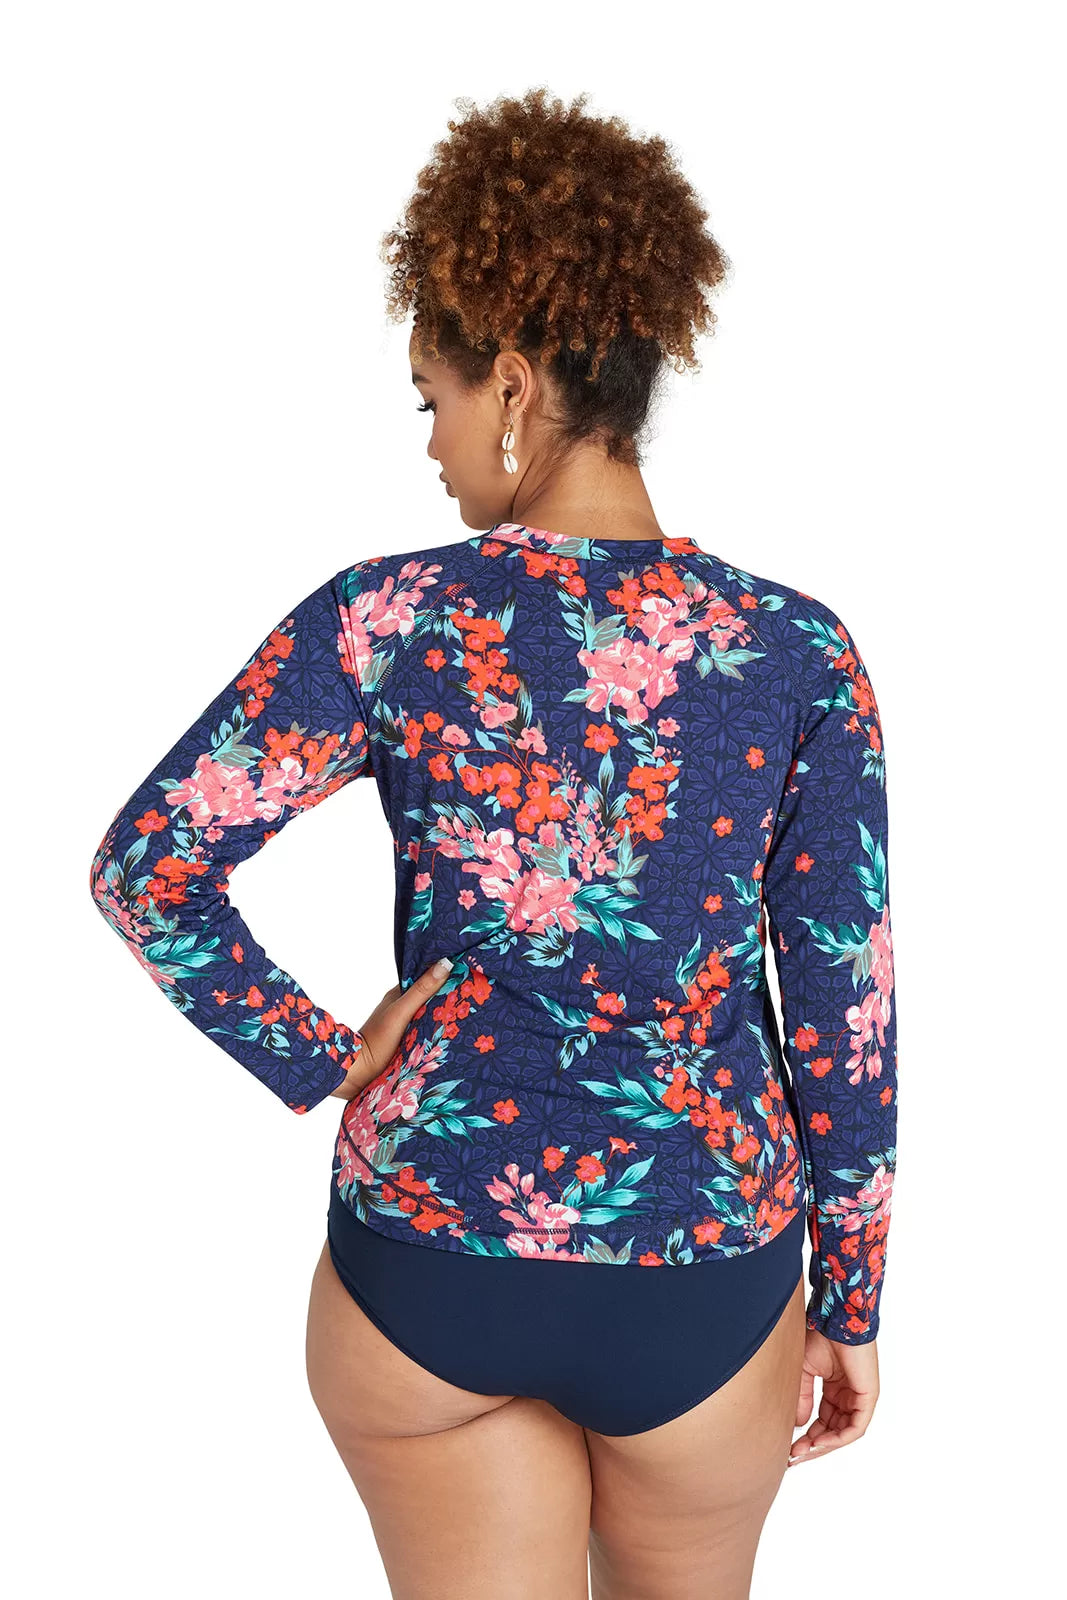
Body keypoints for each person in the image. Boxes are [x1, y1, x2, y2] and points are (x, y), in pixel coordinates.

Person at [90, 86, 897, 1600]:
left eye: (434, 399)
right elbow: (843, 1002)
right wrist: (849, 1298)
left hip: (431, 1265)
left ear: (515, 385)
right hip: (702, 1281)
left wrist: (324, 1053)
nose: (433, 444)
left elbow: (148, 866)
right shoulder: (799, 652)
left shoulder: (389, 617)